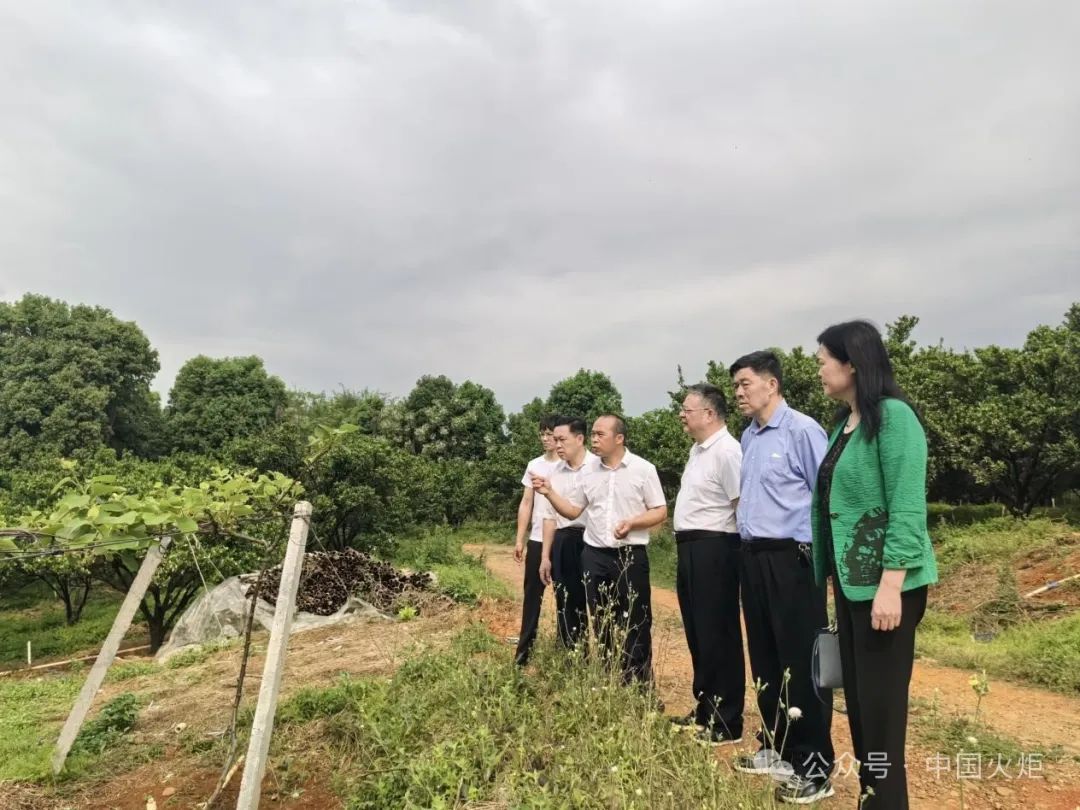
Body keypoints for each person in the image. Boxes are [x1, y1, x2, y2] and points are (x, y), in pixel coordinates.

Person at [813, 321, 939, 810]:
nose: (819, 368)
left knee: (883, 712)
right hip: (852, 586)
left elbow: (906, 505)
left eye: (824, 359)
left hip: (888, 587)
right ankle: (873, 798)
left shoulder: (894, 418)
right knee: (861, 705)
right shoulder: (844, 425)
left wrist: (892, 583)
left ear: (853, 363)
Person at [729, 351, 835, 805]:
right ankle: (777, 747)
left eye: (745, 383)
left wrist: (825, 563)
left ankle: (815, 766)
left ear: (772, 385)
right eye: (735, 385)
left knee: (801, 658)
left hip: (793, 558)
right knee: (767, 657)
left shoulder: (802, 430)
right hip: (753, 557)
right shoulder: (749, 437)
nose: (738, 392)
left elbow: (826, 495)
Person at [533, 415, 667, 684]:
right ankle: (609, 679)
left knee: (635, 622)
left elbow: (660, 511)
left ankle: (639, 686)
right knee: (601, 621)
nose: (594, 439)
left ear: (619, 439)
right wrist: (549, 492)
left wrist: (633, 522)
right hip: (594, 555)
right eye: (592, 434)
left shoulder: (643, 469)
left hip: (630, 556)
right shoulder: (589, 473)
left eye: (599, 434)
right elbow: (573, 511)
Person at [671, 383, 745, 746]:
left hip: (717, 547)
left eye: (688, 409)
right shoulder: (697, 451)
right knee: (698, 632)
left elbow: (740, 505)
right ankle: (705, 708)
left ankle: (727, 719)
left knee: (720, 633)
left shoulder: (728, 452)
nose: (682, 415)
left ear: (710, 414)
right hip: (690, 547)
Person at [535, 416, 598, 650]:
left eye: (562, 439)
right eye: (554, 439)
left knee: (598, 601)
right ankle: (572, 657)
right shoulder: (554, 473)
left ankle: (607, 663)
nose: (557, 445)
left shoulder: (597, 467)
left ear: (580, 438)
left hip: (593, 539)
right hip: (563, 539)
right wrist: (545, 557)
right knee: (567, 602)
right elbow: (549, 517)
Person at [512, 415, 560, 666]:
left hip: (564, 537)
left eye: (549, 434)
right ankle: (523, 654)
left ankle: (565, 651)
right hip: (538, 537)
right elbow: (527, 502)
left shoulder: (569, 465)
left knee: (566, 597)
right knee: (532, 596)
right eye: (542, 434)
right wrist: (520, 538)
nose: (545, 438)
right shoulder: (534, 465)